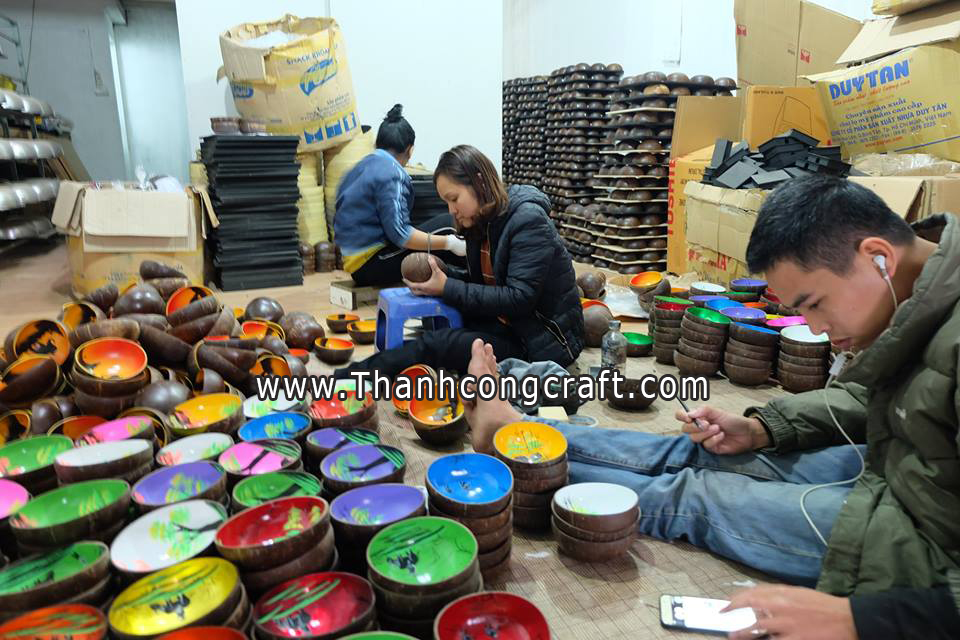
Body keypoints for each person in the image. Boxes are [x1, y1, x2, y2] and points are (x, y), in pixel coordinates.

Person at [463, 175, 960, 639]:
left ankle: (521, 464)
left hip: (926, 543)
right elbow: (860, 398)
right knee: (701, 453)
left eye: (814, 304)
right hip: (889, 471)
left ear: (878, 258)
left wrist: (863, 619)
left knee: (697, 496)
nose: (816, 329)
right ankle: (517, 432)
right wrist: (764, 425)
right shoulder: (920, 298)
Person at [333, 144, 584, 380]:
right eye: (446, 202)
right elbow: (481, 283)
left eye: (454, 198)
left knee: (439, 344)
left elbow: (519, 298)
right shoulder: (480, 221)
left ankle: (349, 378)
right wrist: (444, 276)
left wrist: (447, 287)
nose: (451, 209)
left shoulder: (527, 222)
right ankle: (373, 373)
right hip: (507, 322)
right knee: (435, 327)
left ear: (480, 182)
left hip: (540, 341)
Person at [333, 104, 466, 287]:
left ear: (377, 144)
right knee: (449, 226)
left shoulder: (360, 167)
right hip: (372, 265)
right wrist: (450, 244)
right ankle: (477, 284)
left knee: (441, 233)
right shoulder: (393, 173)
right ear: (410, 149)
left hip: (354, 263)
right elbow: (401, 234)